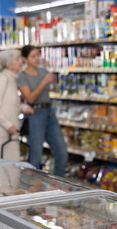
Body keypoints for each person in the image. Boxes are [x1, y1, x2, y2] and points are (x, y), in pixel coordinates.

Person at [17, 45, 68, 176]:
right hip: (35, 115)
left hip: (49, 112)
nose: (37, 58)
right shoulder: (22, 76)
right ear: (25, 59)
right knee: (35, 157)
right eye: (33, 56)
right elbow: (30, 98)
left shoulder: (43, 71)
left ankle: (57, 186)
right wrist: (44, 82)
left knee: (62, 153)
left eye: (38, 55)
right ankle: (33, 190)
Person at [0, 49, 34, 161]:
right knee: (1, 168)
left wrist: (24, 107)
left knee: (10, 166)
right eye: (17, 59)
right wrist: (8, 125)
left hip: (10, 133)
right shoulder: (2, 79)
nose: (21, 61)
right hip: (1, 133)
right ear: (9, 64)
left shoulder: (11, 80)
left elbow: (10, 103)